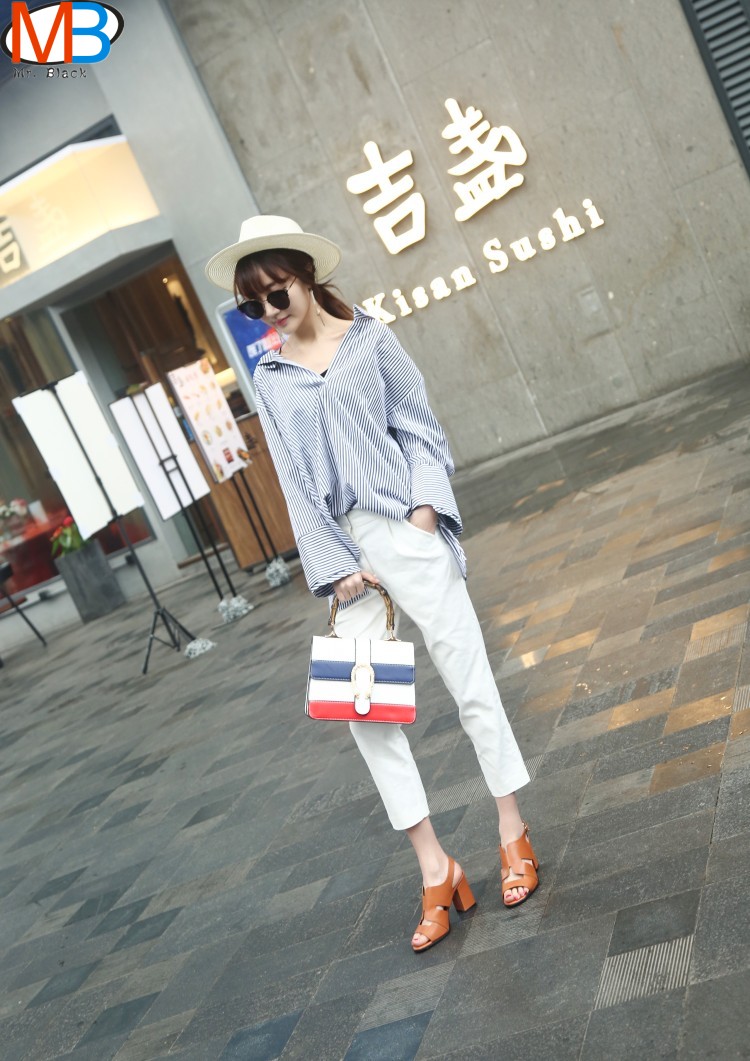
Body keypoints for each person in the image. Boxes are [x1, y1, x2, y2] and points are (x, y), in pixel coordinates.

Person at [206, 215, 539, 952]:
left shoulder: (370, 338)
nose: (268, 311)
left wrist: (425, 513)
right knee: (366, 713)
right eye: (252, 304)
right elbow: (293, 480)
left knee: (469, 680)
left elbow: (419, 427)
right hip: (345, 557)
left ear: (304, 276)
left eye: (276, 292)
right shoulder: (270, 378)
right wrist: (331, 565)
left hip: (404, 530)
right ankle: (436, 867)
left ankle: (512, 830)